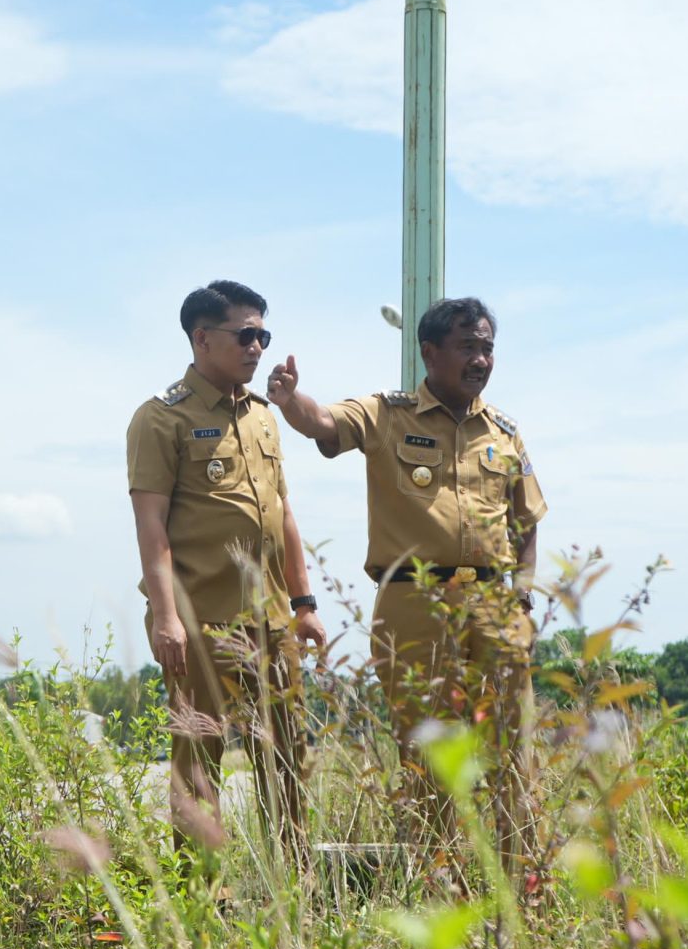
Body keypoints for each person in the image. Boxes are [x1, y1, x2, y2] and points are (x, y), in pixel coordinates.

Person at [266, 297, 545, 871]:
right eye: (468, 346)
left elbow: (527, 521)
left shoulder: (506, 432)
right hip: (414, 602)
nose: (481, 359)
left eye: (488, 347)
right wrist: (291, 399)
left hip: (496, 606)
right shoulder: (387, 413)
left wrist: (522, 595)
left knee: (513, 751)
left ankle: (522, 890)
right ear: (430, 351)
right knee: (428, 747)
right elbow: (323, 423)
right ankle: (443, 885)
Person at [126, 280, 326, 861]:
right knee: (199, 767)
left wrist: (304, 604)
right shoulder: (161, 418)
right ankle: (201, 903)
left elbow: (282, 512)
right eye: (245, 335)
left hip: (270, 622)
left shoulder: (264, 417)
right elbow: (151, 526)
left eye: (263, 335)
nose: (257, 347)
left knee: (288, 758)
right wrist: (167, 618)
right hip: (200, 625)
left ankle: (298, 887)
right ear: (202, 337)